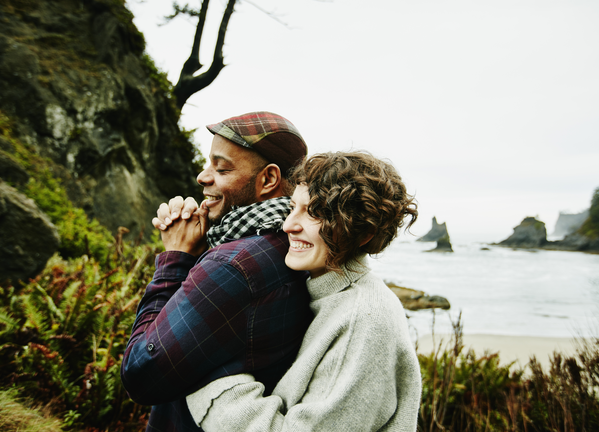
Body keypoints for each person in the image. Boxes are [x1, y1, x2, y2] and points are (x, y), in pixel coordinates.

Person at [185, 151, 423, 431]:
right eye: (292, 207)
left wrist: (205, 372)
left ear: (363, 232)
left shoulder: (364, 319)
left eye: (314, 213)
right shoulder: (318, 291)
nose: (288, 225)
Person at [121, 112, 315, 432]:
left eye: (221, 167)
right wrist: (199, 251)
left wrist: (176, 256)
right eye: (207, 163)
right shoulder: (292, 244)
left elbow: (141, 374)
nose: (202, 176)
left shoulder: (234, 264)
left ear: (268, 179)